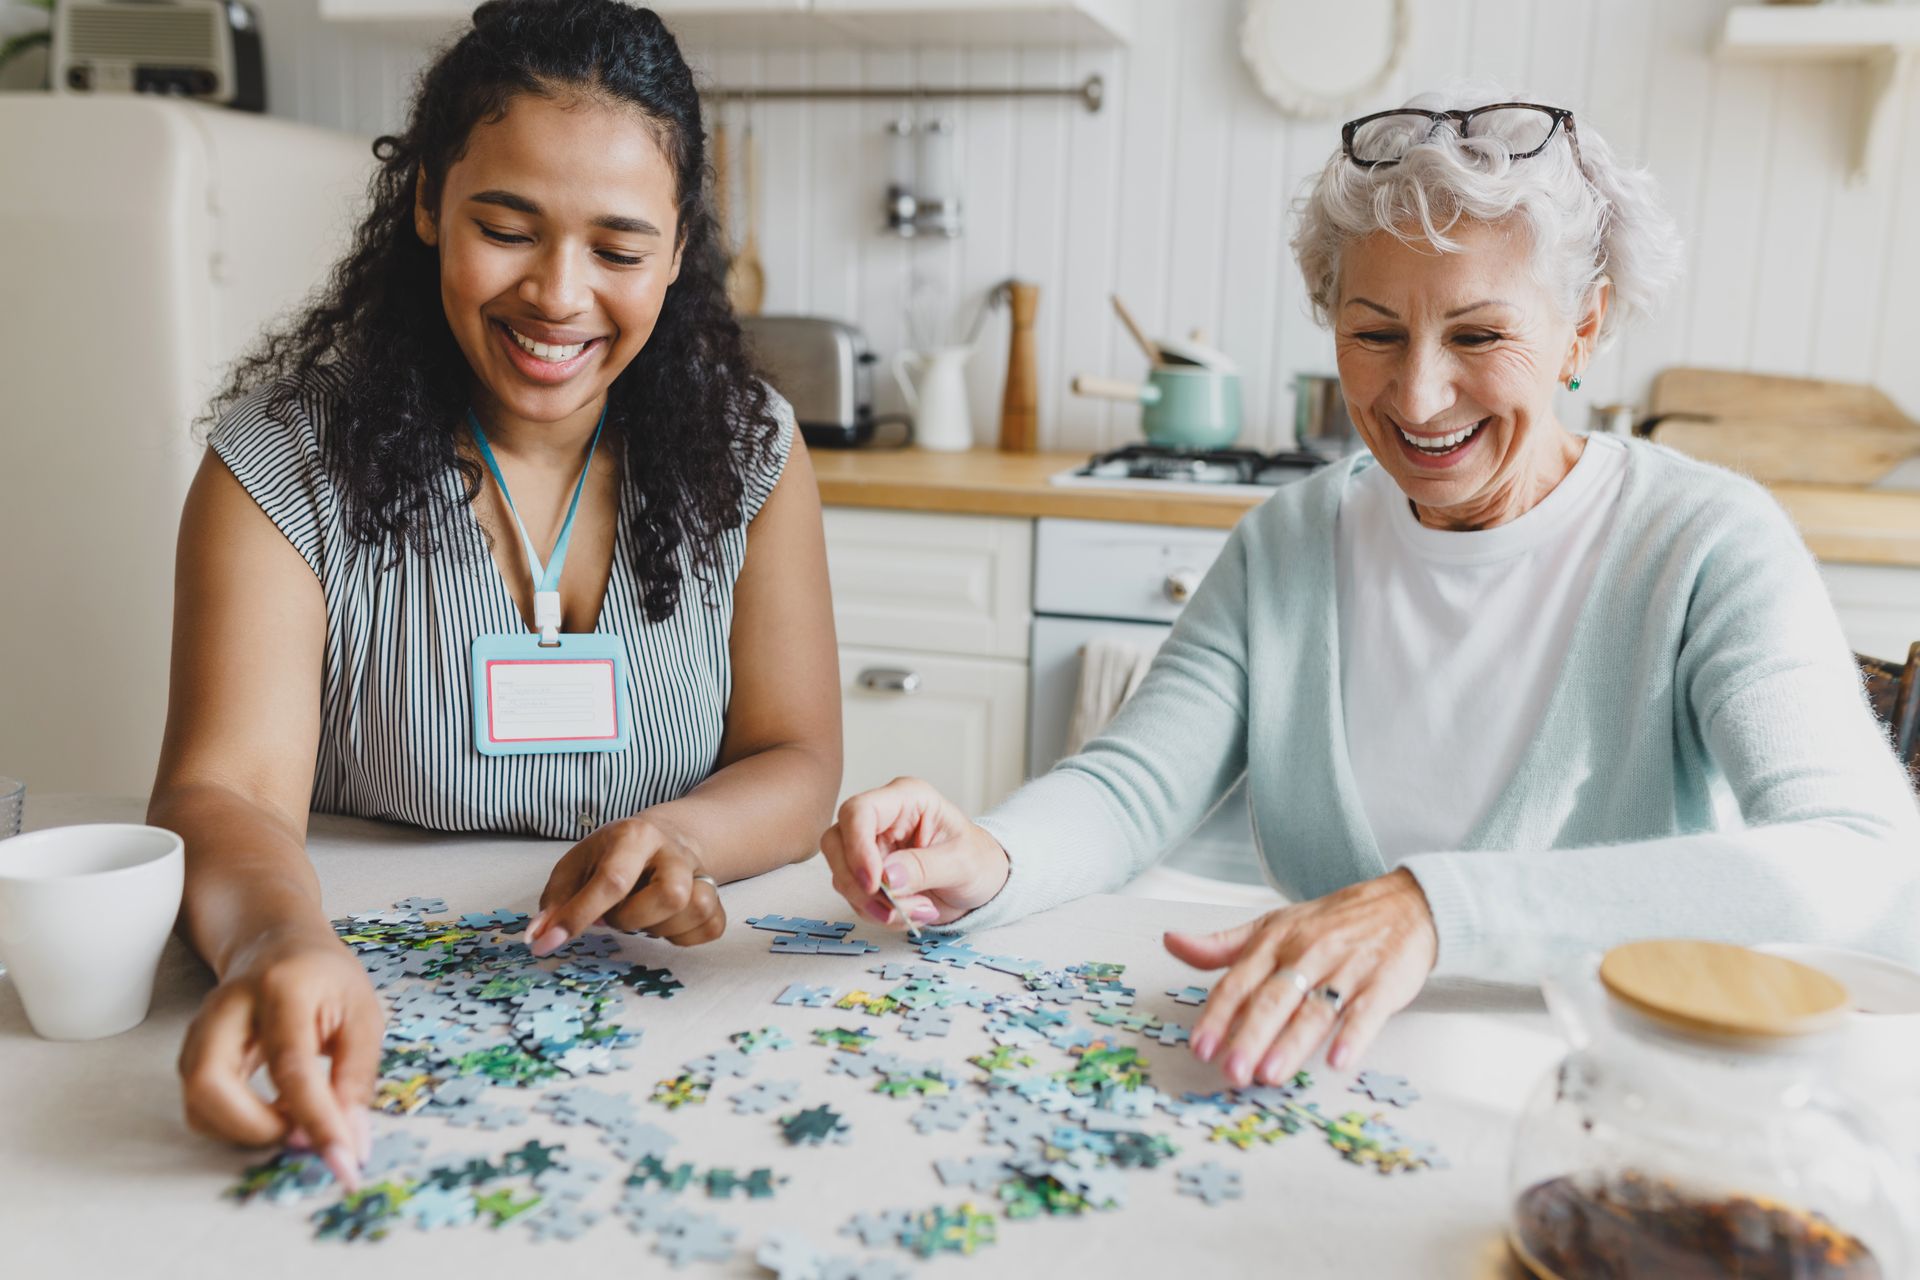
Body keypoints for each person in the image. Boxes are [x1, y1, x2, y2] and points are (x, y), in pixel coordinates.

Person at [821, 89, 1920, 1098]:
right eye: (1374, 334)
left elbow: (1854, 852)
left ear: (1582, 331)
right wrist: (987, 857)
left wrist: (1437, 908)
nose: (1419, 392)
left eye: (1479, 334)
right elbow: (1129, 786)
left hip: (1615, 1097)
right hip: (1325, 1084)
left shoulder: (1703, 540)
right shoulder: (1289, 541)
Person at [148, 0, 840, 1188]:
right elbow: (223, 791)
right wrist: (278, 941)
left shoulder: (751, 450)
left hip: (667, 1046)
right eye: (507, 228)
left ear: (679, 252)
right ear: (426, 203)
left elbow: (796, 753)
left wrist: (683, 838)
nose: (559, 296)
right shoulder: (280, 464)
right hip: (373, 1010)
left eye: (619, 250)